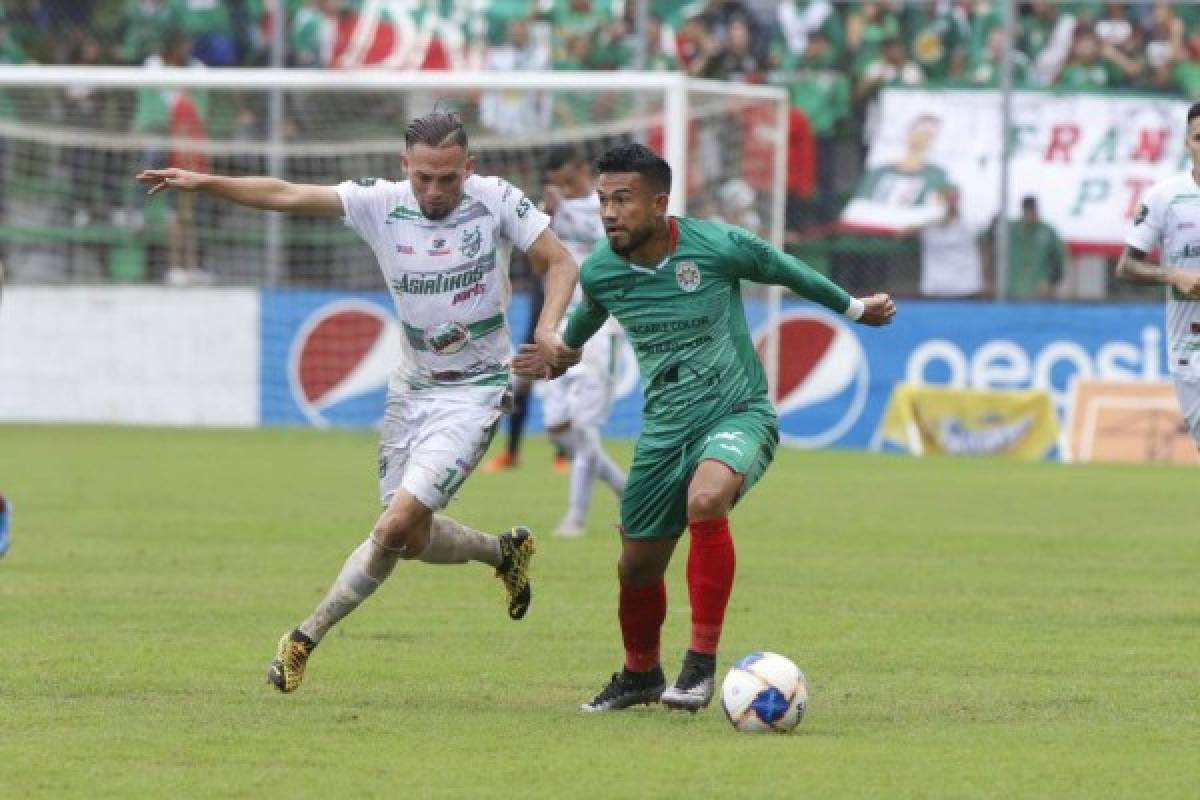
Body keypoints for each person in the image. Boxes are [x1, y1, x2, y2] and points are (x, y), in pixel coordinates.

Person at [136, 110, 580, 693]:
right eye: (423, 177)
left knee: (394, 525)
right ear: (405, 168)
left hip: (475, 391)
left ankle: (302, 638)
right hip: (412, 387)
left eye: (448, 178)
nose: (435, 191)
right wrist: (207, 182)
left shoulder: (495, 199)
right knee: (412, 538)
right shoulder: (382, 203)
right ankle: (503, 552)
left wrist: (549, 331)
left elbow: (561, 261)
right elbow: (288, 193)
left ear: (468, 168)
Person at [515, 143, 896, 713]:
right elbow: (575, 340)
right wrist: (553, 357)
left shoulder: (715, 244)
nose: (610, 211)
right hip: (665, 431)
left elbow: (785, 269)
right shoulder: (602, 271)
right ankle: (641, 674)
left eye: (624, 199)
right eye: (603, 200)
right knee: (636, 564)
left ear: (660, 202)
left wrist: (854, 309)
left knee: (707, 497)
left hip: (738, 411)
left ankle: (700, 667)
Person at [536, 145, 627, 537]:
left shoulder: (605, 207)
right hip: (557, 322)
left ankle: (575, 517)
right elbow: (538, 266)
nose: (559, 185)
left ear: (577, 170)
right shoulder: (546, 209)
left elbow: (622, 254)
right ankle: (630, 492)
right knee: (557, 428)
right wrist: (549, 218)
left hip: (599, 326)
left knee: (585, 427)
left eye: (563, 176)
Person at [1117, 100, 1200, 445]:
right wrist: (1173, 276)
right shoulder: (1165, 197)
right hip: (1191, 343)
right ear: (1186, 142)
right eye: (1199, 137)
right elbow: (1126, 266)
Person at [908, 185, 985, 299]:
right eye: (947, 199)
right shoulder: (925, 223)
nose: (950, 203)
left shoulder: (969, 221)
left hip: (966, 288)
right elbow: (902, 233)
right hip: (935, 288)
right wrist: (932, 218)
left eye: (953, 199)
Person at [987, 195, 1065, 299]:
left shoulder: (1047, 231)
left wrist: (1050, 283)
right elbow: (986, 240)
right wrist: (993, 224)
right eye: (1027, 210)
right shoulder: (1011, 229)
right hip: (1012, 291)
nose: (1030, 214)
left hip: (1038, 292)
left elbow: (1059, 260)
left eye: (1032, 210)